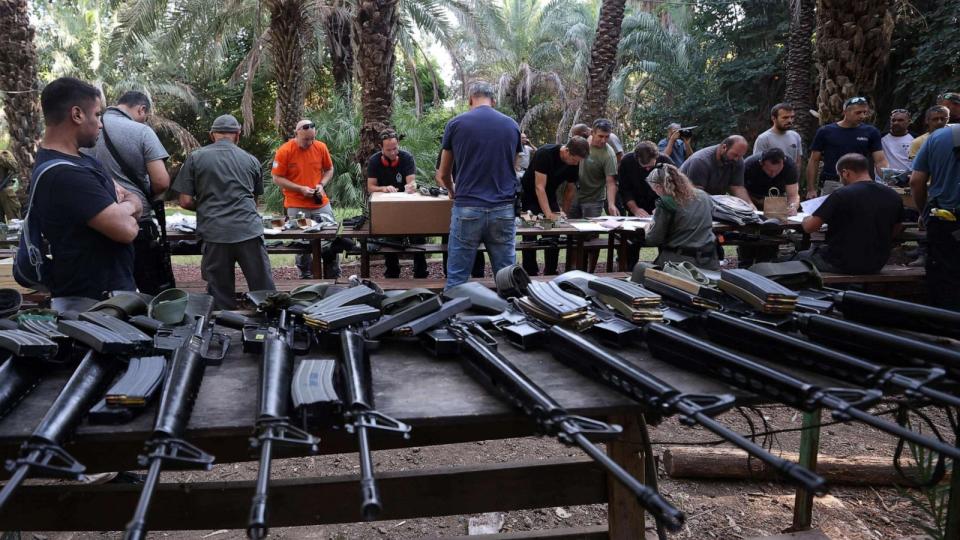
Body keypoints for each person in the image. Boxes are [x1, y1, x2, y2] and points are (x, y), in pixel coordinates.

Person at [32, 77, 141, 312]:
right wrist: (131, 205)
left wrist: (128, 203)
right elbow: (126, 229)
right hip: (92, 306)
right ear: (77, 114)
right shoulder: (64, 175)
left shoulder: (84, 162)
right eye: (98, 114)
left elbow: (128, 198)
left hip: (107, 297)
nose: (101, 124)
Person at [172, 115, 275, 309]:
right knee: (264, 290)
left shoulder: (196, 157)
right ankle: (270, 328)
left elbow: (185, 201)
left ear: (212, 135)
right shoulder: (251, 160)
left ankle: (225, 330)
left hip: (214, 233)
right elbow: (254, 200)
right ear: (238, 134)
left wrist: (206, 206)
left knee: (220, 293)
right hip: (248, 232)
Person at [84, 90, 172, 294]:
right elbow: (161, 181)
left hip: (98, 222)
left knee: (109, 292)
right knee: (152, 292)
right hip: (136, 222)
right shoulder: (141, 131)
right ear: (142, 109)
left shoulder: (87, 131)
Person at [436, 81, 522, 289]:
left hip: (467, 207)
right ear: (493, 100)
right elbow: (515, 167)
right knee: (507, 277)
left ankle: (455, 319)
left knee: (457, 278)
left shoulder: (456, 124)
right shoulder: (511, 125)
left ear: (470, 100)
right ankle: (511, 319)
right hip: (503, 209)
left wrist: (452, 191)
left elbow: (443, 172)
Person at [799, 153, 903, 274]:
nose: (840, 180)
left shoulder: (841, 195)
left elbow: (810, 227)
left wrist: (806, 218)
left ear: (845, 173)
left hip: (840, 262)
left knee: (800, 257)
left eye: (839, 176)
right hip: (877, 262)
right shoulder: (893, 195)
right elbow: (896, 229)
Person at [271, 118, 340, 278]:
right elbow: (277, 178)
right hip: (297, 205)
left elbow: (329, 169)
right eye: (305, 139)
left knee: (330, 238)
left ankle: (333, 274)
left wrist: (321, 185)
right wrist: (300, 189)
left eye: (312, 138)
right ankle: (305, 276)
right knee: (302, 242)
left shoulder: (320, 147)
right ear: (296, 134)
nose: (309, 142)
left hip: (320, 203)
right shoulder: (284, 151)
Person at [519, 136, 589, 276]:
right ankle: (530, 272)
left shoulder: (574, 163)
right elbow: (539, 187)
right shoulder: (545, 153)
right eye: (575, 160)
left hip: (550, 196)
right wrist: (549, 214)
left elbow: (570, 189)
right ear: (567, 151)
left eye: (578, 162)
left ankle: (550, 271)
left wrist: (563, 211)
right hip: (528, 196)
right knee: (529, 233)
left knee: (554, 232)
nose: (576, 164)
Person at [910, 123, 960, 310]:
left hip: (945, 220)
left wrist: (923, 212)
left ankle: (945, 326)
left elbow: (916, 181)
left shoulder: (939, 137)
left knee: (944, 278)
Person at [366, 129, 428, 279]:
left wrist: (411, 186)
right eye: (389, 150)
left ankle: (421, 273)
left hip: (408, 207)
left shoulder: (406, 158)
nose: (393, 152)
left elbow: (411, 181)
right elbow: (370, 187)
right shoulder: (374, 161)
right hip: (387, 209)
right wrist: (383, 188)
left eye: (395, 148)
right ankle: (392, 273)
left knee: (418, 238)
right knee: (390, 240)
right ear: (381, 148)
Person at [806, 96, 888, 199]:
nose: (862, 116)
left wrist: (888, 182)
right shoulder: (825, 131)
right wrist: (811, 189)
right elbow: (814, 160)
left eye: (865, 112)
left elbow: (880, 160)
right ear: (845, 112)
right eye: (858, 113)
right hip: (832, 183)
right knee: (830, 214)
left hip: (860, 183)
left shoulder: (871, 132)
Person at [643, 164, 719, 270]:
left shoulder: (666, 202)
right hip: (709, 260)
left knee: (641, 271)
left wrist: (648, 227)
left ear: (658, 187)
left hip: (680, 264)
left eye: (655, 191)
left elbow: (653, 239)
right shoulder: (703, 196)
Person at [679, 135, 753, 206]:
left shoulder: (737, 160)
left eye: (740, 156)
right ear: (724, 147)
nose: (737, 159)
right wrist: (724, 204)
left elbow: (737, 187)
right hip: (685, 200)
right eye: (735, 155)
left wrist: (749, 205)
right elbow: (697, 194)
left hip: (712, 200)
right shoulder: (701, 161)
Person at [568, 118, 619, 218]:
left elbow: (611, 182)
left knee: (590, 231)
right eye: (600, 136)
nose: (603, 140)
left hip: (593, 199)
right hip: (573, 194)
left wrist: (611, 204)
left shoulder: (609, 154)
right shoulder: (580, 142)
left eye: (607, 137)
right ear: (592, 132)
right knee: (571, 229)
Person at [618, 141, 672, 217]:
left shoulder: (665, 161)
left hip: (662, 206)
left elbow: (674, 188)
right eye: (644, 167)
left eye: (651, 167)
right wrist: (635, 209)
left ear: (656, 157)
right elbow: (625, 190)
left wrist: (663, 206)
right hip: (637, 207)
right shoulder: (627, 162)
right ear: (636, 159)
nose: (647, 170)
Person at [0, 149, 22, 222]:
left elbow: (15, 167)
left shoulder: (3, 153)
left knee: (14, 224)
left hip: (6, 193)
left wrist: (2, 158)